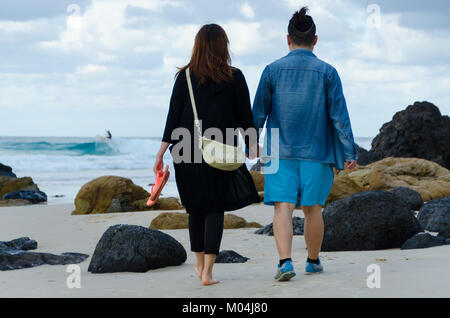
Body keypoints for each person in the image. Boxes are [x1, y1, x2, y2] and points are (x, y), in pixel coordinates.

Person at [252, 7, 358, 281]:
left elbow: (258, 114)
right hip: (318, 151)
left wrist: (251, 145)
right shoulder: (328, 72)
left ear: (288, 39)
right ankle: (312, 261)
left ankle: (285, 263)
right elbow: (339, 116)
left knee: (282, 208)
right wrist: (349, 152)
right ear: (315, 40)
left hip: (277, 151)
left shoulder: (271, 70)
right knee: (313, 210)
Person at [153, 24, 260, 286]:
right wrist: (252, 145)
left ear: (197, 46)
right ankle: (208, 272)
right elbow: (245, 116)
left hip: (185, 148)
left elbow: (173, 117)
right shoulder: (235, 77)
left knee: (195, 208)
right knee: (215, 209)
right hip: (220, 149)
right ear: (224, 46)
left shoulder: (185, 77)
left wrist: (161, 152)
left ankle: (199, 264)